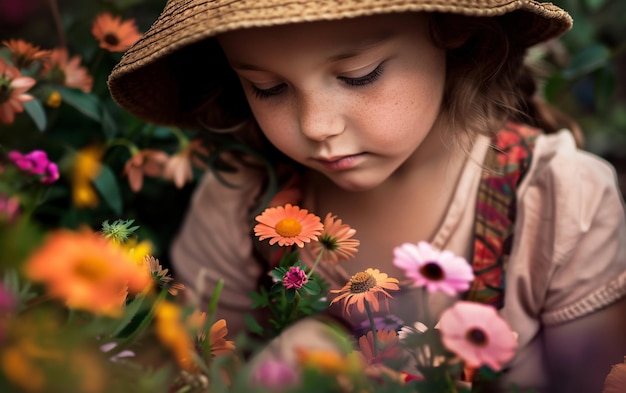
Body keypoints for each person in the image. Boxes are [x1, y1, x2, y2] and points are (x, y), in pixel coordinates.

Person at [107, 1, 626, 392]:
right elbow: (198, 368)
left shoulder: (560, 202)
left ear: (452, 29)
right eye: (268, 87)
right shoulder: (243, 202)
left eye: (359, 76)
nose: (317, 126)